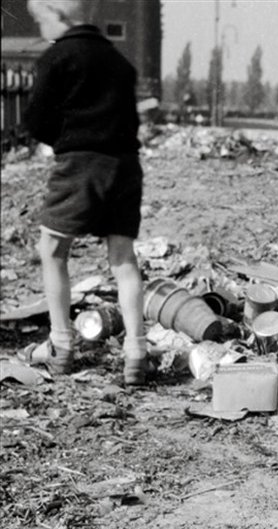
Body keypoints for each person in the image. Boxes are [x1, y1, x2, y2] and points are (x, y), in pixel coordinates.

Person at [22, 0, 150, 385]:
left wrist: (64, 138)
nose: (39, 27)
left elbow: (36, 122)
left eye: (39, 19)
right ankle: (136, 351)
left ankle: (62, 345)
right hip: (125, 165)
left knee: (52, 250)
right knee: (123, 259)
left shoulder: (57, 57)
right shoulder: (119, 61)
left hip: (80, 165)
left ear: (56, 14)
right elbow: (131, 118)